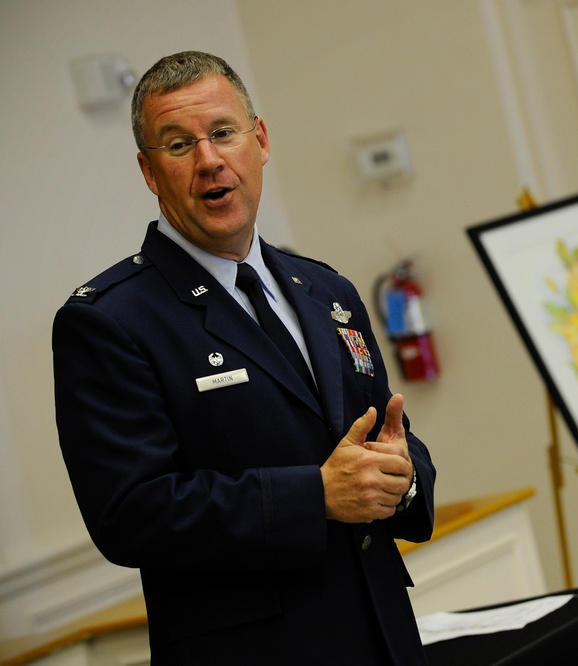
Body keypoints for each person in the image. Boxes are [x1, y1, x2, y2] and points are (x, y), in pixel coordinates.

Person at [52, 51, 435, 665]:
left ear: (259, 142)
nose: (209, 161)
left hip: (382, 638)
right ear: (149, 173)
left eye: (223, 133)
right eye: (178, 146)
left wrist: (406, 472)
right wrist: (315, 496)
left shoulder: (327, 291)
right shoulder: (109, 322)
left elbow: (385, 439)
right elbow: (130, 513)